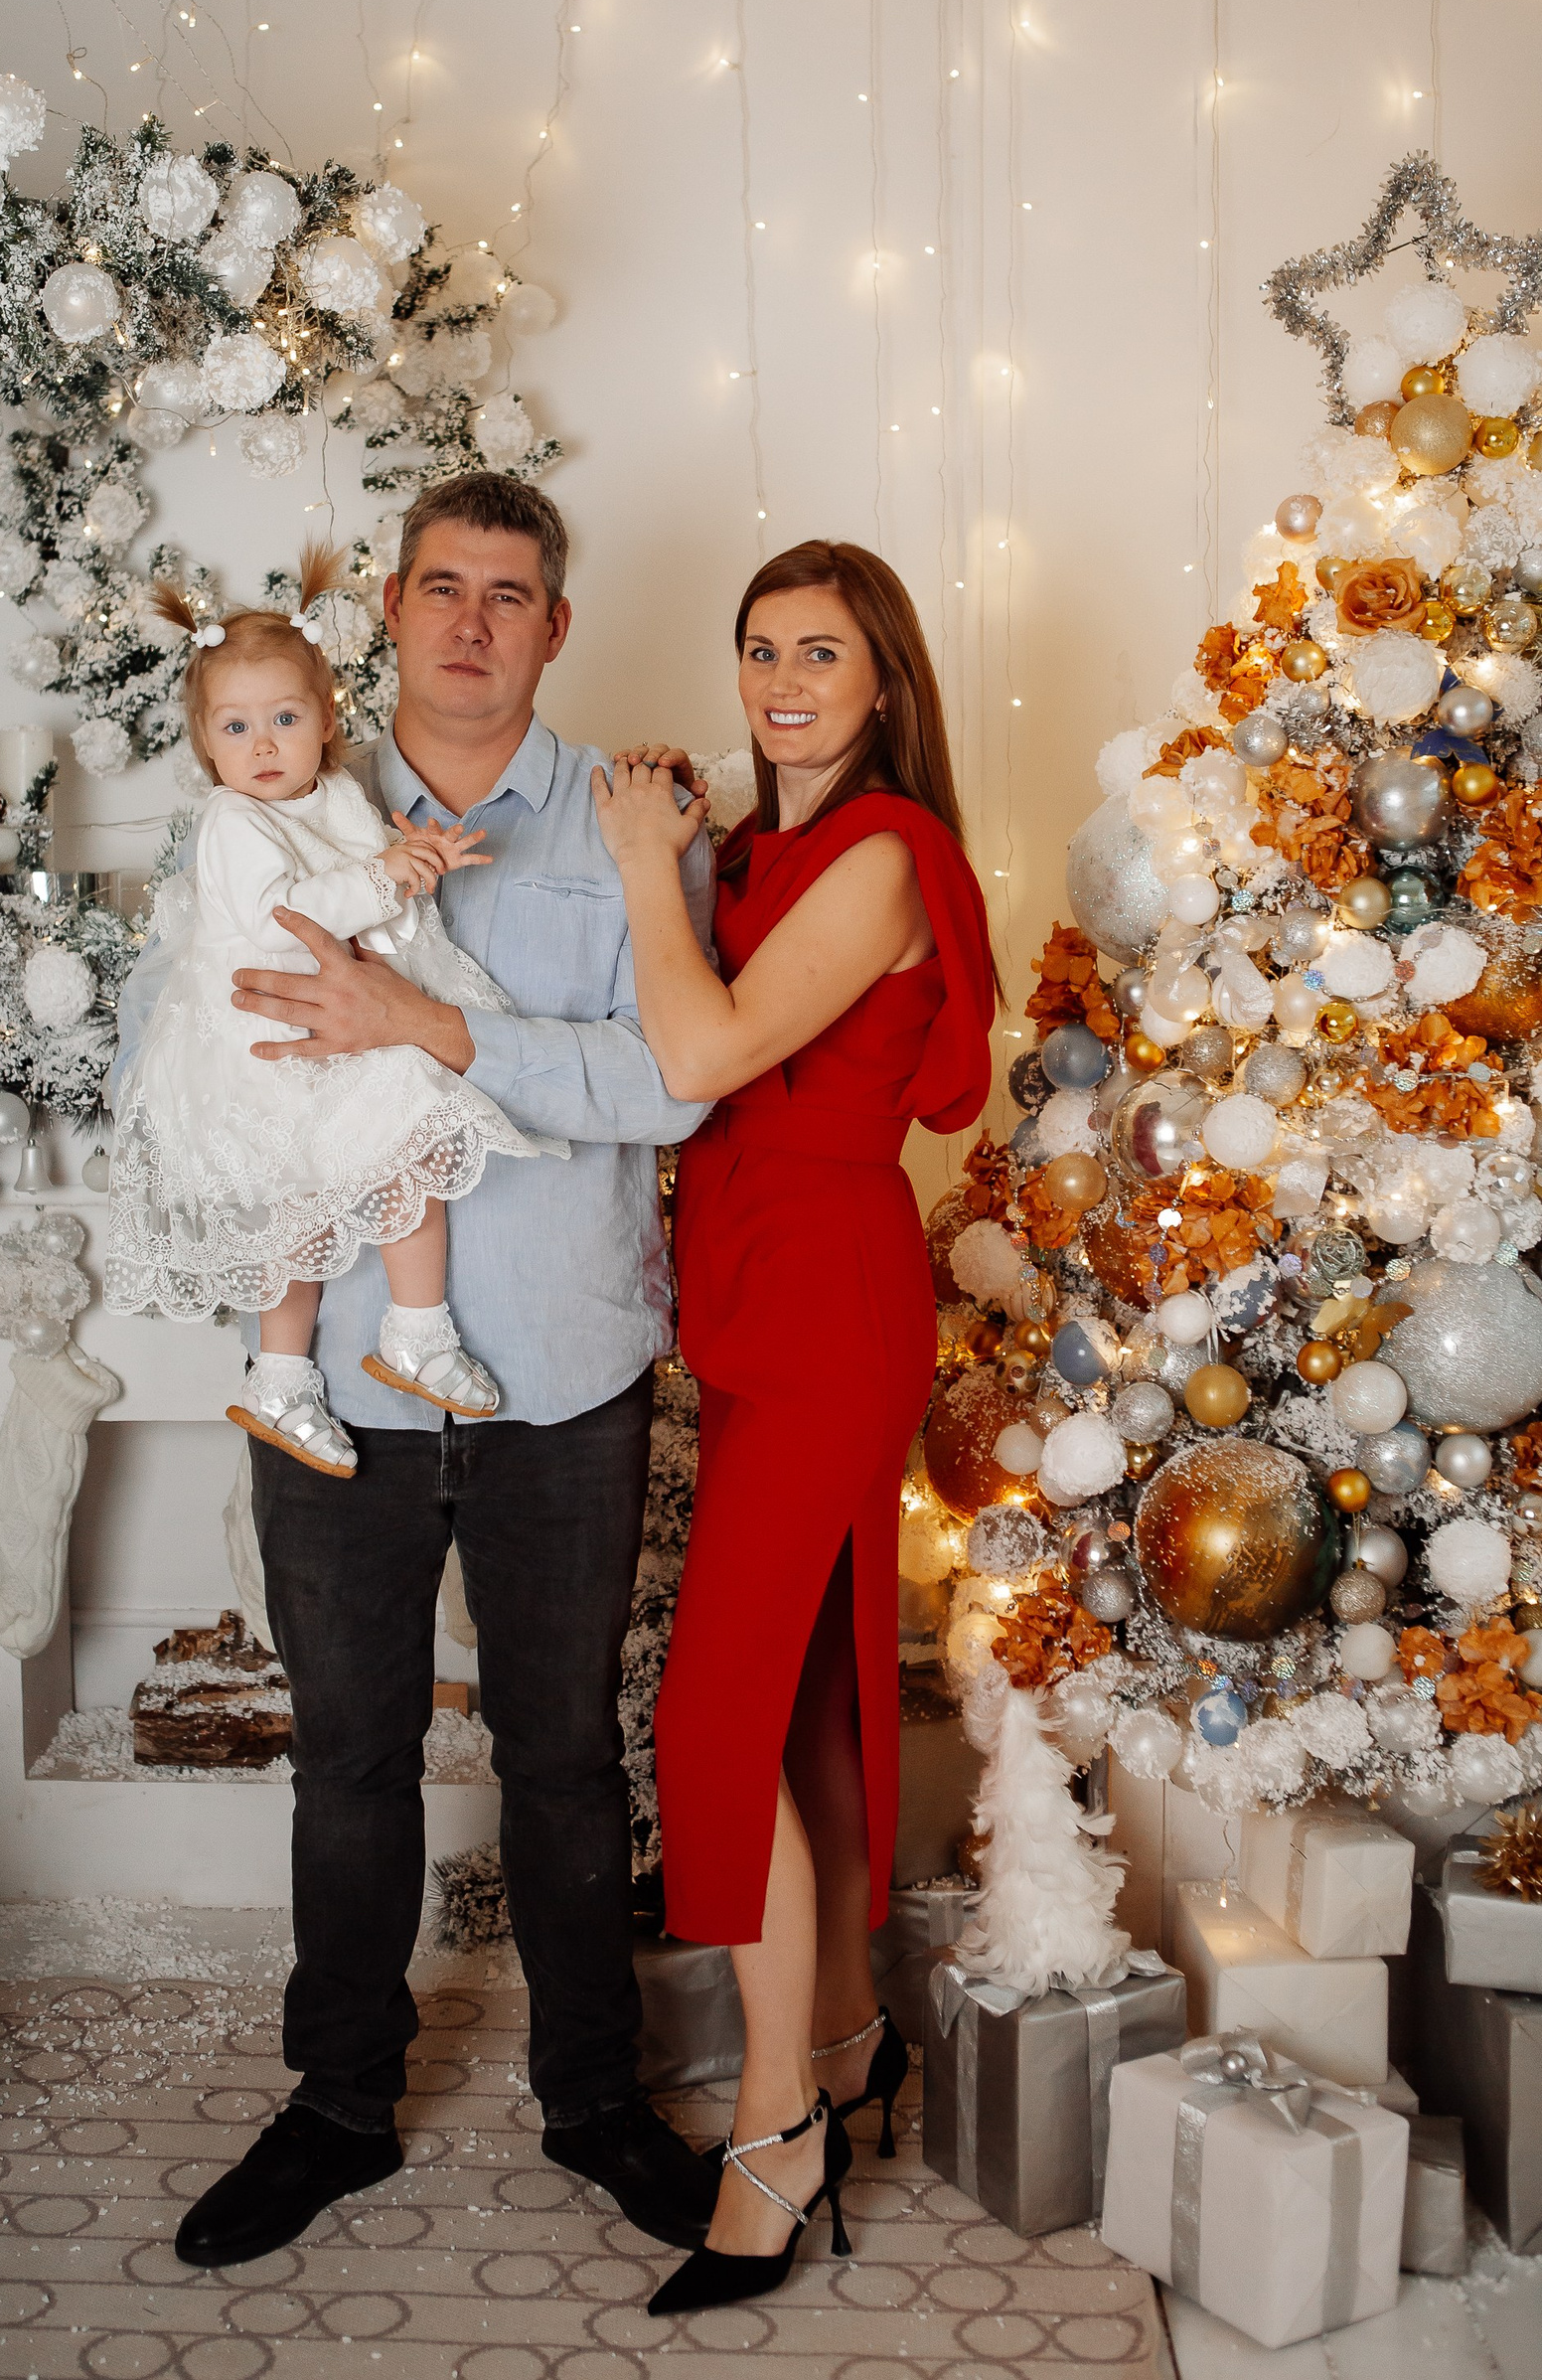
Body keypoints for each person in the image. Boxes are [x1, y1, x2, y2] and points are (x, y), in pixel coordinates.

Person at [112, 472, 722, 2267]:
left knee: (565, 1759)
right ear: (386, 609)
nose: (470, 622)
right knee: (348, 1760)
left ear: (555, 626)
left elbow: (673, 1084)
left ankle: (595, 2102)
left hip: (562, 1374)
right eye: (442, 587)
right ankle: (338, 2105)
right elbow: (173, 1049)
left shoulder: (631, 821)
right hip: (340, 1392)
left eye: (508, 595)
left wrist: (422, 1025)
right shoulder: (271, 798)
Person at [590, 538, 997, 2316]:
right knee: (815, 1693)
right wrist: (678, 855)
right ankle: (840, 2038)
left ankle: (776, 2132)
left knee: (718, 1709)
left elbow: (700, 1055)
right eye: (760, 647)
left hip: (832, 1298)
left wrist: (638, 868)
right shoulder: (760, 850)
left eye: (819, 651)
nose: (780, 681)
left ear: (884, 678)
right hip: (759, 1288)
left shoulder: (886, 850)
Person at [106, 545, 553, 1474]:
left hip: (342, 1027)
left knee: (408, 1153)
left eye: (284, 718)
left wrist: (413, 872)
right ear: (208, 746)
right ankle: (283, 1377)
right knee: (295, 1214)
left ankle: (413, 1331)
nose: (263, 746)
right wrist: (383, 877)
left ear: (326, 720)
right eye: (236, 728)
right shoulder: (232, 821)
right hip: (260, 1041)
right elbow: (284, 919)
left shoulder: (341, 796)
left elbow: (377, 914)